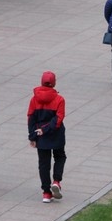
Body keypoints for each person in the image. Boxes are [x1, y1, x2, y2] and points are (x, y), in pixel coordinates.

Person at [27, 71, 66, 203]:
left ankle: (46, 193)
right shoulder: (59, 100)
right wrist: (47, 129)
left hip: (40, 135)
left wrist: (33, 135)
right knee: (60, 156)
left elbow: (31, 118)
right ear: (54, 83)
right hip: (56, 134)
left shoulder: (34, 99)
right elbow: (58, 119)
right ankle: (56, 181)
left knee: (44, 164)